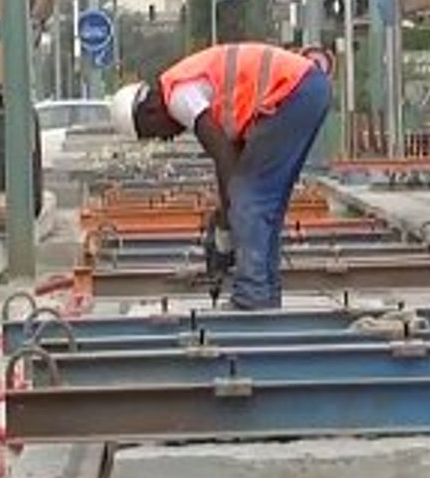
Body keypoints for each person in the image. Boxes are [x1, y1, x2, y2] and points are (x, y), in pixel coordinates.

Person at [110, 42, 333, 310]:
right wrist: (224, 220)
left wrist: (226, 232)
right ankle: (266, 294)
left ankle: (252, 297)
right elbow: (227, 161)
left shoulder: (179, 96)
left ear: (150, 111)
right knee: (265, 204)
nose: (165, 138)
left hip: (293, 91)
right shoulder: (204, 94)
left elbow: (226, 160)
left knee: (251, 197)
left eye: (154, 133)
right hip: (307, 90)